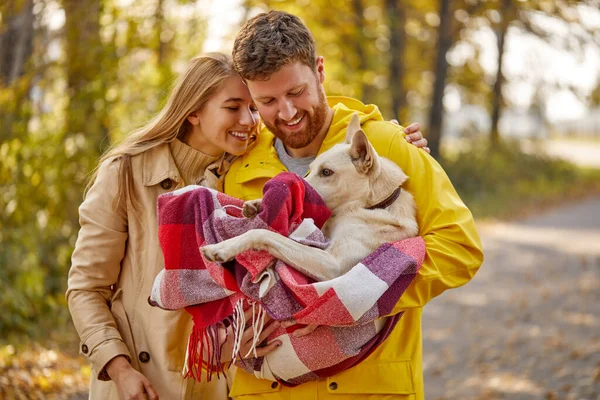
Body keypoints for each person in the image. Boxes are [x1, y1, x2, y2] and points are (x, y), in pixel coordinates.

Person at [67, 52, 429, 399]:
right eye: (233, 108)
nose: (249, 121)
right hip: (142, 379)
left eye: (254, 108)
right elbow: (86, 286)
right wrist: (118, 367)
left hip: (219, 381)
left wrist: (393, 142)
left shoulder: (248, 169)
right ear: (192, 111)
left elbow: (323, 139)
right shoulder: (127, 172)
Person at [222, 11, 484, 399]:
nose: (288, 112)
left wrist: (356, 299)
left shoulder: (388, 146)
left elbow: (459, 247)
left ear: (320, 71)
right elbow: (225, 280)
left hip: (369, 388)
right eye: (268, 101)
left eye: (296, 92)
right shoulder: (238, 168)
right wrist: (233, 333)